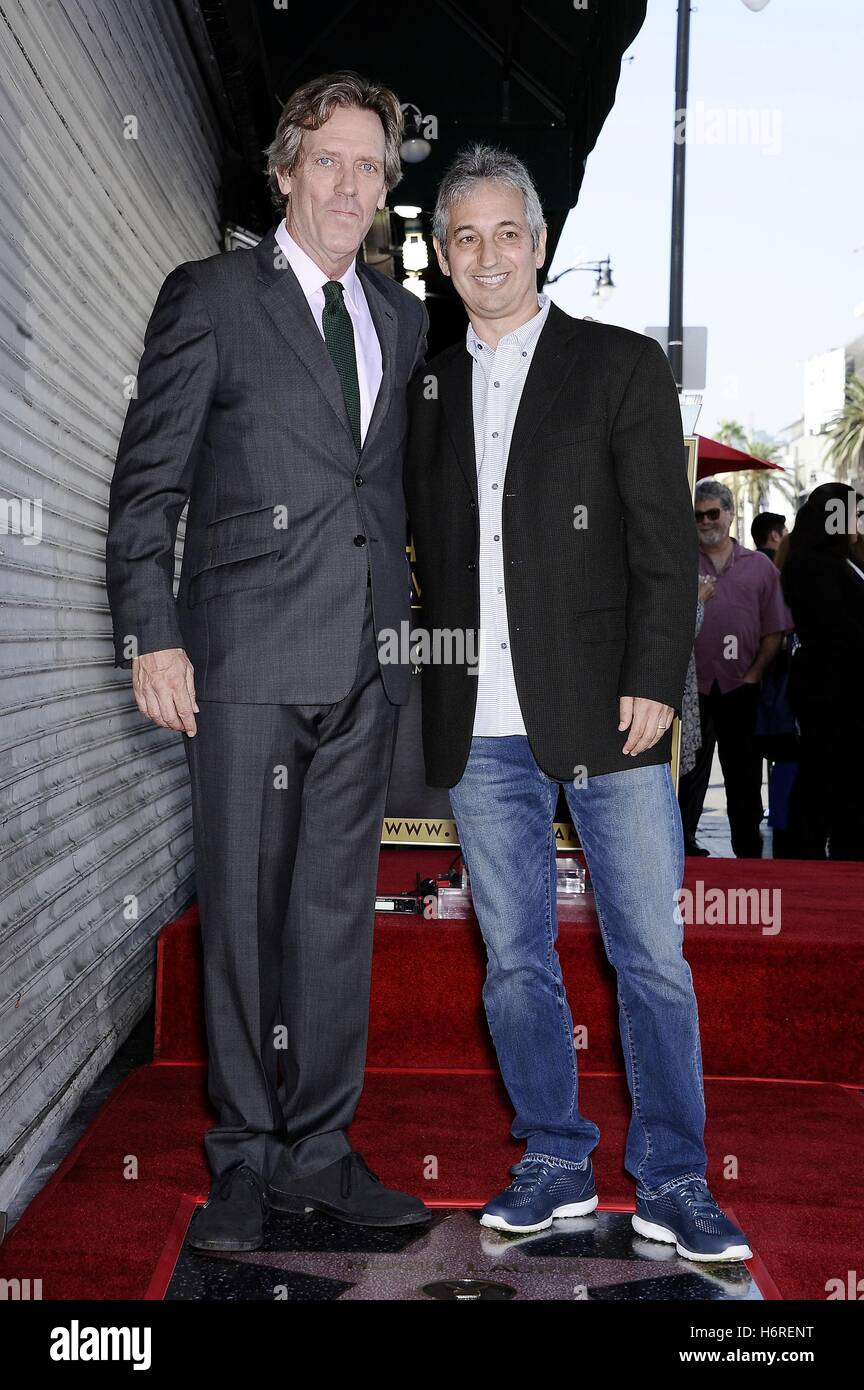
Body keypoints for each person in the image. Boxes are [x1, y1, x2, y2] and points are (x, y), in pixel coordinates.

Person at [404, 143, 751, 1262]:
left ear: (541, 244)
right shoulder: (424, 384)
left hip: (612, 713)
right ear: (442, 255)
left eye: (510, 232)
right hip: (479, 722)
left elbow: (661, 541)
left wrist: (658, 675)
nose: (489, 254)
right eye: (465, 236)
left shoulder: (617, 364)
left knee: (649, 951)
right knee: (513, 958)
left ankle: (676, 1179)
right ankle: (553, 1156)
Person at [106, 71, 430, 1251]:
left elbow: (383, 488)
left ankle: (322, 1151)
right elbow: (148, 482)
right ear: (286, 171)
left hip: (363, 663)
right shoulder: (208, 297)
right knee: (243, 915)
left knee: (336, 916)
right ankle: (244, 1155)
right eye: (330, 160)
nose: (351, 184)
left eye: (371, 167)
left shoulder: (400, 317)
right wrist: (154, 632)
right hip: (240, 658)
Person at [678, 480, 794, 857]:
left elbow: (776, 627)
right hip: (691, 690)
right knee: (688, 773)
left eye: (713, 513)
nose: (706, 521)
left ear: (730, 514)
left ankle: (748, 853)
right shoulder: (678, 564)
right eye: (699, 515)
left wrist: (755, 673)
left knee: (743, 777)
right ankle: (683, 848)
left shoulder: (758, 567)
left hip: (741, 688)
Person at [781, 482, 864, 859]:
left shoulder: (838, 561)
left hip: (838, 684)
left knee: (842, 774)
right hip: (830, 686)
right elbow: (838, 629)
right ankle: (810, 851)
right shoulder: (813, 565)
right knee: (825, 771)